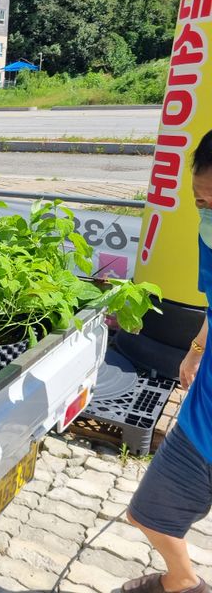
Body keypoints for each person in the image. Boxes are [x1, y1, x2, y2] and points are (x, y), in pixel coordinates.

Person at [124, 130, 212, 593]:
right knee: (149, 512)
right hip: (202, 423)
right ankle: (182, 581)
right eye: (202, 203)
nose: (208, 215)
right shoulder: (210, 239)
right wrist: (196, 349)